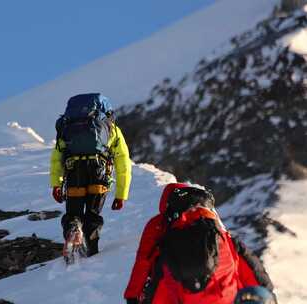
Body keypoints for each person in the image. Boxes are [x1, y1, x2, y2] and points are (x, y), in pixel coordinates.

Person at [123, 183, 274, 304]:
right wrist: (268, 294)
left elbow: (144, 261)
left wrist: (132, 296)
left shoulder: (160, 225)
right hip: (225, 297)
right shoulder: (215, 228)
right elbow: (250, 266)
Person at [50, 93, 132, 259]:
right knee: (93, 214)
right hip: (98, 173)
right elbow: (123, 163)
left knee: (74, 213)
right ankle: (91, 251)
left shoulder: (68, 125)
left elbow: (56, 158)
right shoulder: (111, 128)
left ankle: (73, 228)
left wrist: (56, 184)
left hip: (74, 172)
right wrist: (121, 195)